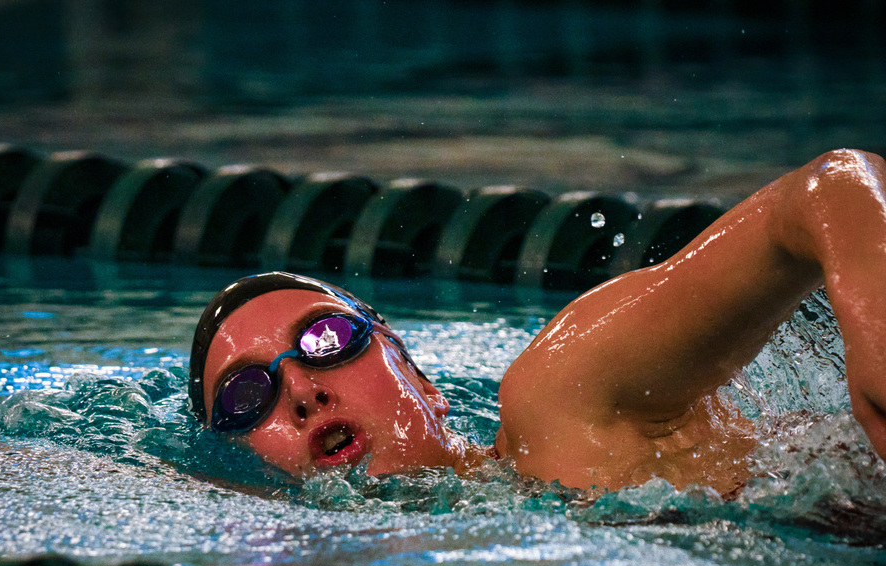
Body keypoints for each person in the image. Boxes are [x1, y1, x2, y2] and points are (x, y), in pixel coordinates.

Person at [188, 149, 886, 498]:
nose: (303, 390)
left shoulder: (560, 397)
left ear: (418, 374)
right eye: (247, 395)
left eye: (326, 340)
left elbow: (833, 186)